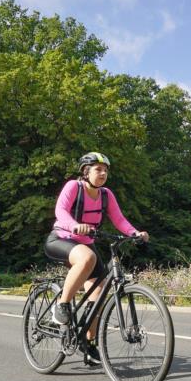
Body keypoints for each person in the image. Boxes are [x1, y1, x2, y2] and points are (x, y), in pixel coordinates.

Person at [44, 152, 149, 363]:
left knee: (100, 291)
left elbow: (119, 219)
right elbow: (61, 211)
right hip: (61, 239)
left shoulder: (106, 194)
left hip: (85, 244)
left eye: (105, 170)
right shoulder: (74, 187)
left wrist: (134, 233)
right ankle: (62, 307)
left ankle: (89, 344)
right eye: (98, 169)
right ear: (86, 171)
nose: (103, 173)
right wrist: (74, 225)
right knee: (87, 257)